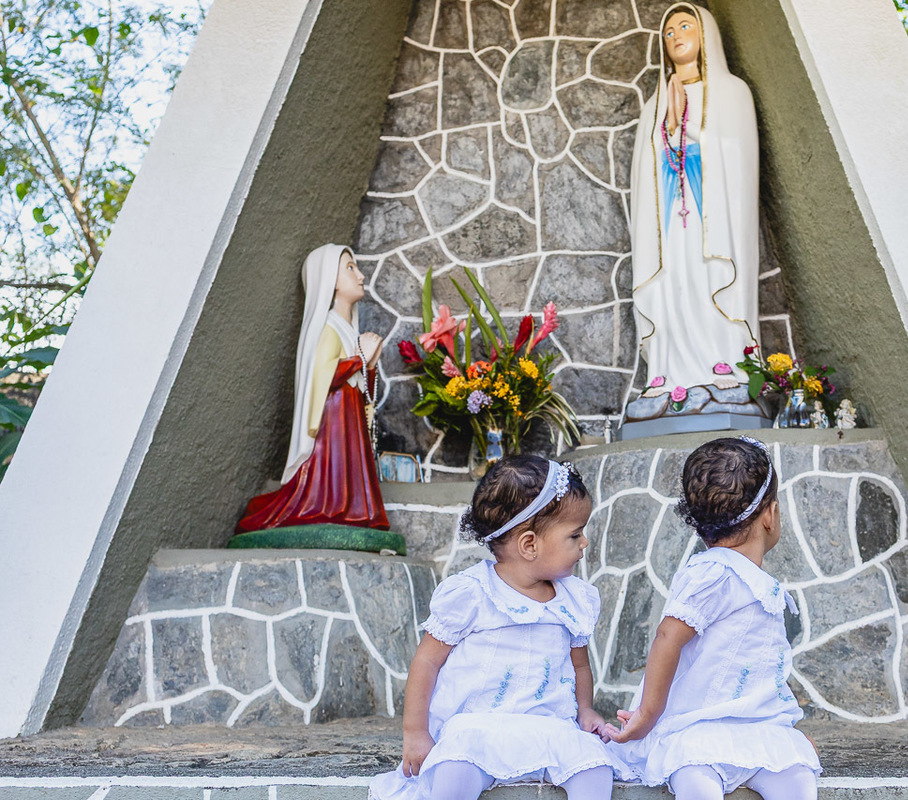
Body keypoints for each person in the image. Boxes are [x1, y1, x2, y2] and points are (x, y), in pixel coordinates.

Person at [368, 456, 626, 800]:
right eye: (575, 534)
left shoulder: (574, 600)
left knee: (594, 768)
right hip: (476, 727)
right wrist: (415, 732)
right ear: (529, 545)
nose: (585, 542)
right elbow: (427, 661)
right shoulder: (472, 593)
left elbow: (579, 665)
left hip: (550, 727)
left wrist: (586, 710)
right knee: (454, 771)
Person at [605, 437, 821, 800]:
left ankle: (780, 749)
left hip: (756, 725)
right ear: (770, 515)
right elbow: (668, 637)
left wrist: (784, 731)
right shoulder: (715, 573)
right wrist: (649, 713)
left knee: (797, 776)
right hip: (700, 727)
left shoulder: (749, 577)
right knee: (694, 775)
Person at [630, 4, 760, 396]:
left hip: (711, 211)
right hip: (671, 214)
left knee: (708, 273)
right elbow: (645, 171)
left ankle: (723, 356)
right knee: (672, 278)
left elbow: (739, 156)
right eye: (668, 32)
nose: (676, 36)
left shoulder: (732, 92)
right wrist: (668, 128)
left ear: (706, 34)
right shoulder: (654, 104)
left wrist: (688, 129)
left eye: (685, 26)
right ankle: (667, 368)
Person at [236, 244, 388, 532]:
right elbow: (324, 374)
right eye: (350, 268)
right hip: (333, 421)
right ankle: (332, 506)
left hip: (349, 417)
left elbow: (360, 386)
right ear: (330, 279)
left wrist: (369, 364)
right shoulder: (328, 326)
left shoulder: (347, 328)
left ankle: (353, 508)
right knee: (330, 483)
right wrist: (359, 358)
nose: (361, 276)